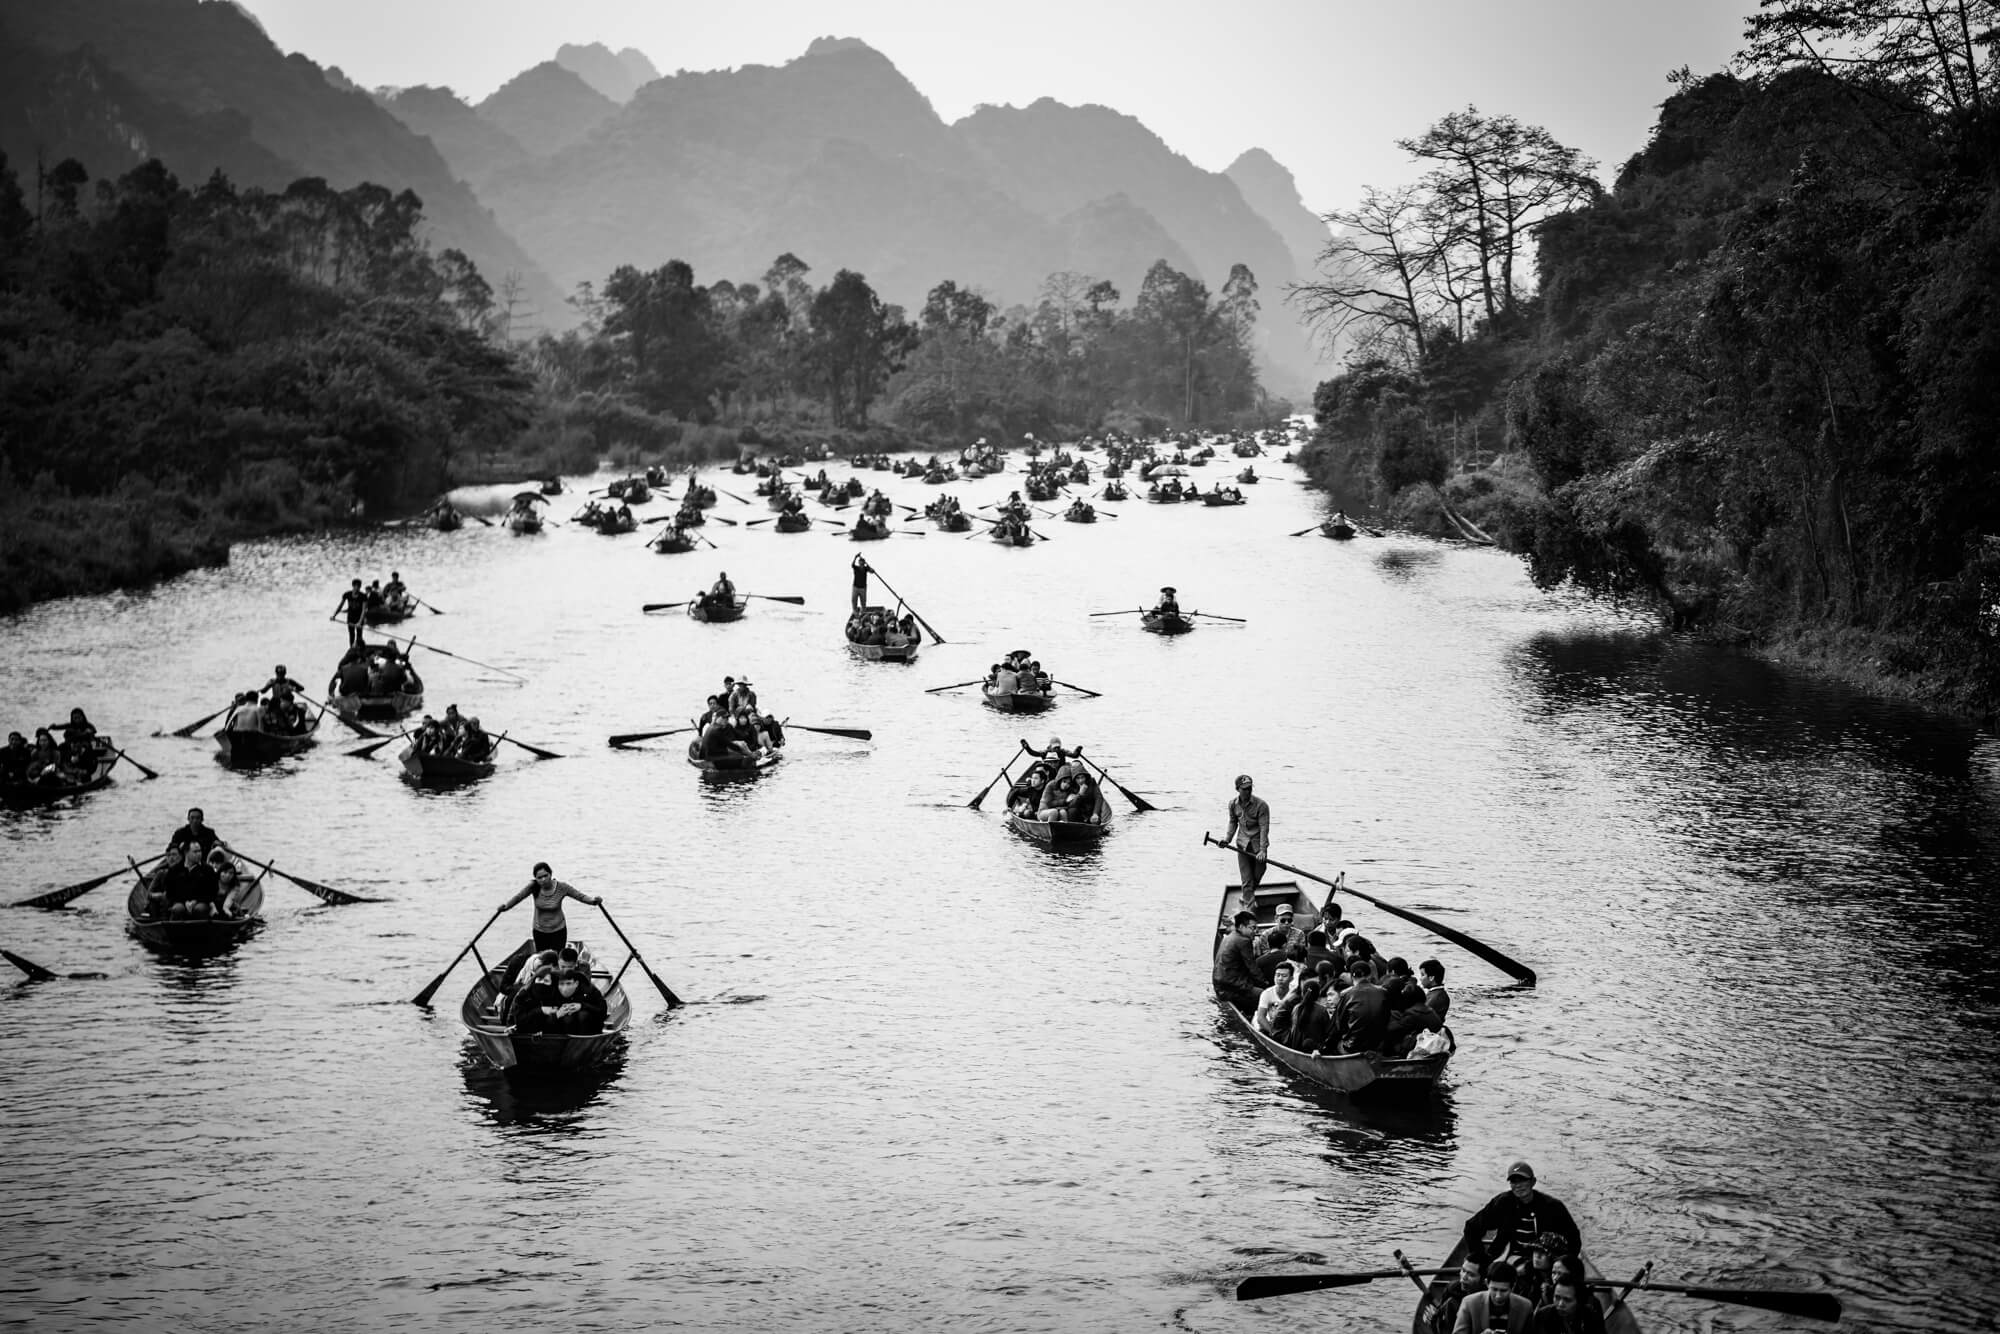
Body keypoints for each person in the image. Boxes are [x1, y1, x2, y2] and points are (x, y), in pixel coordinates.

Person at [1463, 1164, 1583, 1271]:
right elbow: (1471, 1228)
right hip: (1506, 1256)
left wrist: (1562, 1266)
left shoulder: (1552, 1207)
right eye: (1514, 1182)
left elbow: (1573, 1239)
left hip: (1542, 1260)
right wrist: (1481, 1260)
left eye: (1522, 1180)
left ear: (1533, 1182)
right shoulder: (1503, 1202)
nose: (1518, 1186)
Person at [499, 862, 602, 957]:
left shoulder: (562, 887)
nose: (543, 880)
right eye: (539, 878)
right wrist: (506, 906)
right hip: (539, 930)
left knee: (556, 959)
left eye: (545, 876)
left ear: (550, 874)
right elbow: (518, 897)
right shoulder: (533, 887)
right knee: (542, 959)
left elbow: (580, 896)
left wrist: (593, 901)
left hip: (558, 930)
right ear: (536, 879)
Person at [512, 962, 609, 1036]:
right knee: (567, 1019)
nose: (564, 988)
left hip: (588, 1027)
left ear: (576, 983)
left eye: (568, 984)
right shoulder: (528, 994)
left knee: (582, 1016)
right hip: (549, 1030)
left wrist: (582, 1006)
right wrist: (554, 1014)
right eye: (561, 984)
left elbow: (602, 1011)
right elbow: (539, 1022)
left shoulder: (589, 990)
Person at [1222, 773, 1271, 911]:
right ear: (1238, 789)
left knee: (1259, 872)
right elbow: (1233, 822)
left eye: (1250, 788)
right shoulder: (1233, 804)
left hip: (1257, 845)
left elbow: (1264, 828)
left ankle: (1246, 896)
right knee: (1247, 880)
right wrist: (1227, 840)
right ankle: (1249, 910)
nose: (1248, 791)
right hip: (1242, 846)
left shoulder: (1262, 805)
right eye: (1244, 789)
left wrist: (1263, 850)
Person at [1450, 1260, 1534, 1334]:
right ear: (1487, 1283)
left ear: (1513, 1287)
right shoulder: (1469, 1303)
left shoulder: (1525, 1307)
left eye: (1503, 1291)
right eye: (1494, 1289)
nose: (1498, 1296)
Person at [1333, 955, 1391, 1054]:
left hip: (1352, 1047)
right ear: (1370, 975)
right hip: (1378, 1045)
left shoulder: (1346, 994)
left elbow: (1339, 1025)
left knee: (1336, 1043)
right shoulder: (1383, 992)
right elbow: (1386, 1017)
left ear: (1351, 977)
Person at [1212, 911, 1263, 1013]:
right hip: (1230, 987)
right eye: (1252, 928)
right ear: (1241, 926)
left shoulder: (1231, 935)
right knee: (1263, 994)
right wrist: (1266, 985)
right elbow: (1252, 968)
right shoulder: (1244, 941)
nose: (1255, 931)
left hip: (1219, 984)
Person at [1429, 1256, 1485, 1334]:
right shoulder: (1452, 1289)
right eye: (1463, 1271)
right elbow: (1439, 1317)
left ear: (1483, 1280)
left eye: (1471, 1275)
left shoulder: (1489, 1295)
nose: (1463, 1278)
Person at [1254, 961, 1297, 1034]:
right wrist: (1272, 1032)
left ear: (1291, 978)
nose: (1280, 978)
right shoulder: (1267, 993)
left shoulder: (1295, 993)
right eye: (1277, 975)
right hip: (1271, 1023)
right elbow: (1261, 1017)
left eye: (1284, 976)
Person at [335, 578, 367, 646]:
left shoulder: (363, 596)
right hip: (351, 618)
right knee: (351, 635)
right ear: (353, 586)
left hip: (359, 618)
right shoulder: (347, 594)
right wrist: (334, 615)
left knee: (359, 636)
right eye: (356, 586)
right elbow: (340, 606)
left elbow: (363, 610)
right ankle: (351, 649)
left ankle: (359, 649)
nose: (357, 588)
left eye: (359, 586)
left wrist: (360, 622)